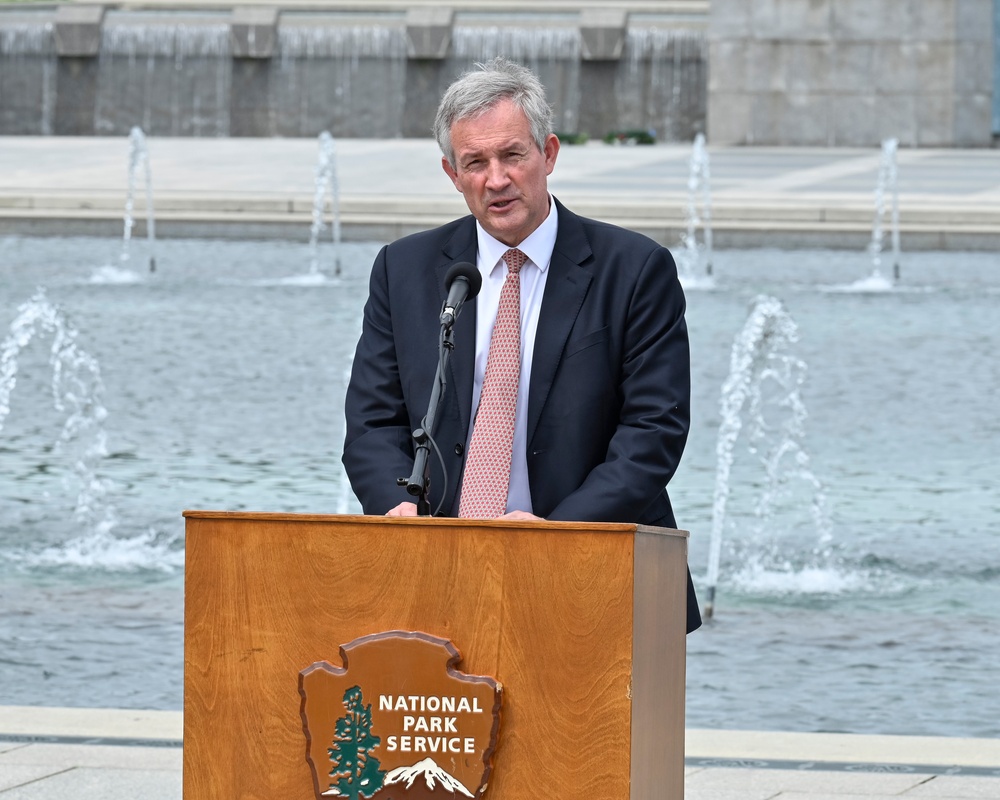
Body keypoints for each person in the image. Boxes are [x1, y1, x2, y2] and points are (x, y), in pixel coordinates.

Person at [343, 57, 700, 632]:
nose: (496, 179)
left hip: (593, 567)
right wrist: (398, 510)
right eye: (475, 163)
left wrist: (553, 536)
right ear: (451, 174)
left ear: (549, 154)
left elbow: (652, 433)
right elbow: (372, 421)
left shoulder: (634, 270)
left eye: (512, 155)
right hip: (439, 569)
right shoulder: (403, 269)